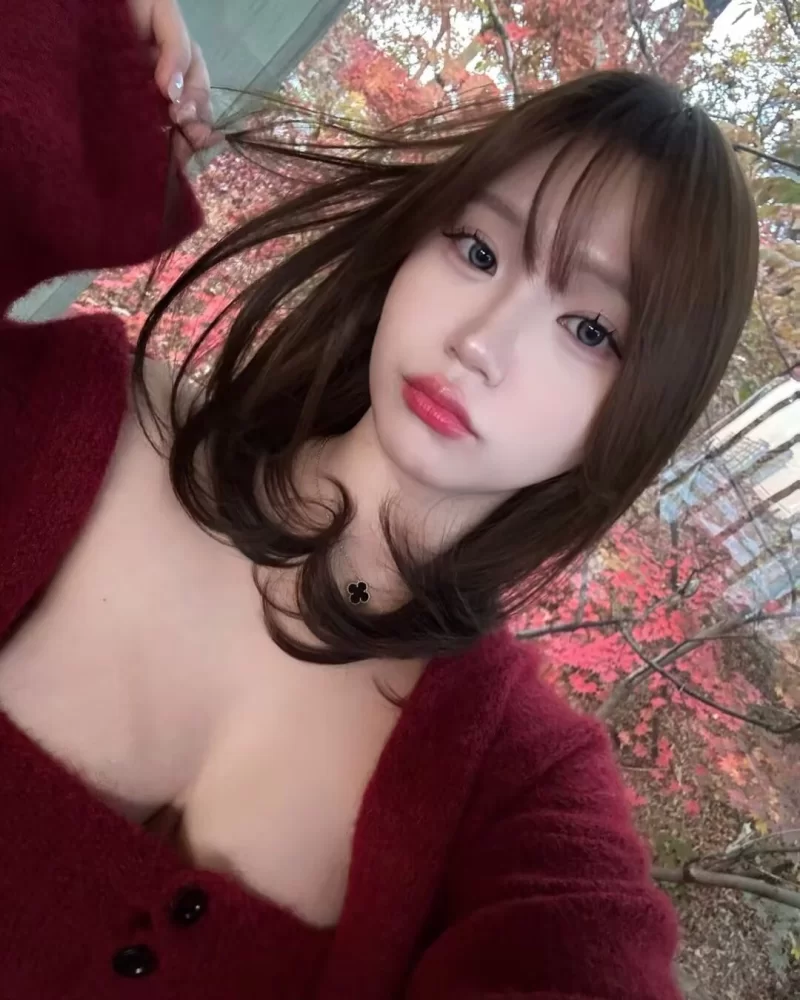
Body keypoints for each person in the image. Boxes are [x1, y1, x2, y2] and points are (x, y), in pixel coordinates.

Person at [0, 0, 757, 996]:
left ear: (641, 411)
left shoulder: (515, 787)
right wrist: (67, 41)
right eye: (478, 251)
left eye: (588, 330)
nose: (479, 342)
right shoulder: (76, 419)